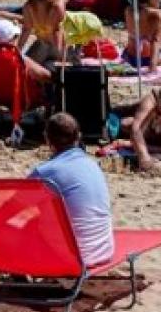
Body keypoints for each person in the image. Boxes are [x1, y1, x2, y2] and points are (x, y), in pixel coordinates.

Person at [29, 111, 115, 267]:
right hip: (104, 251)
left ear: (47, 139)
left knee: (26, 221)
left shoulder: (45, 171)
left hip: (73, 258)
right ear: (78, 137)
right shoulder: (93, 165)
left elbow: (14, 208)